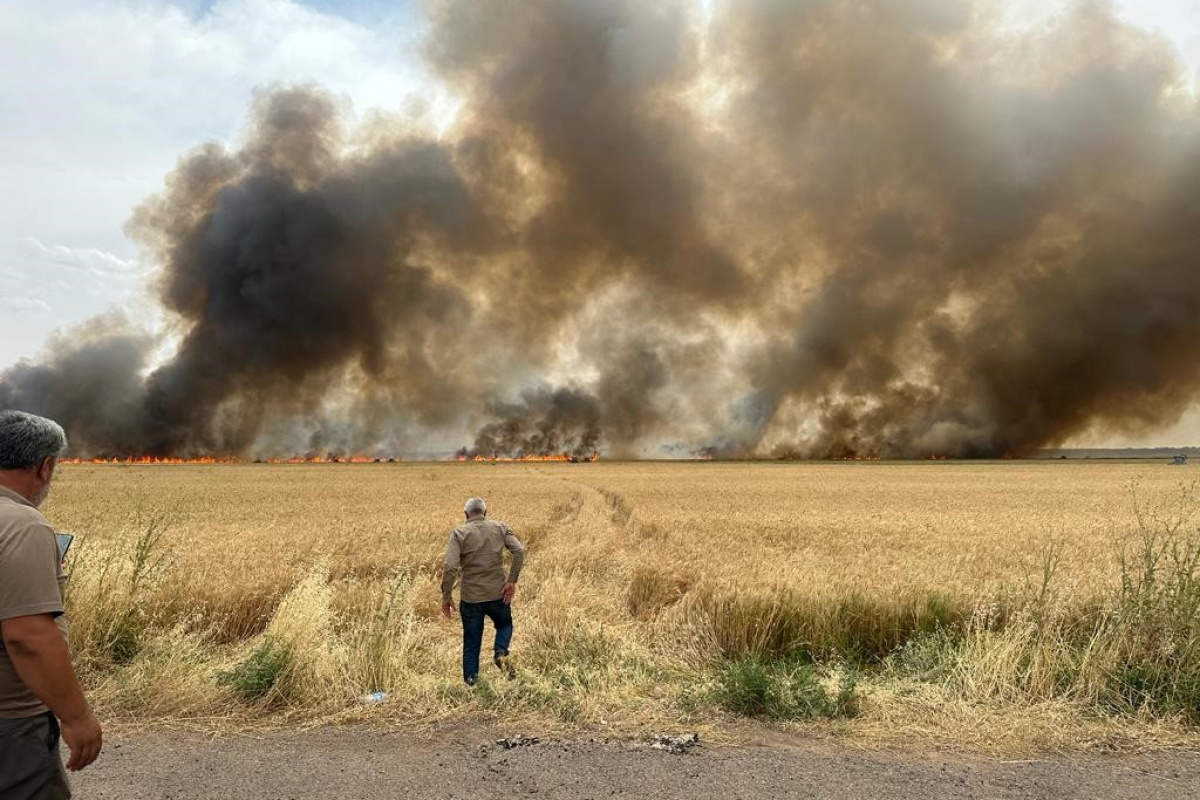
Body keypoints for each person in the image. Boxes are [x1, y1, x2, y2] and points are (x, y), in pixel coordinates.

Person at [0, 410, 102, 800]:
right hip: (9, 725)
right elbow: (27, 636)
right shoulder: (21, 524)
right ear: (44, 466)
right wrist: (77, 717)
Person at [441, 497, 525, 685]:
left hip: (471, 598)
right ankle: (500, 651)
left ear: (466, 514)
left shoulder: (459, 533)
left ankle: (472, 683)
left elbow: (450, 567)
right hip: (498, 593)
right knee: (504, 625)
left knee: (472, 642)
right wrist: (511, 581)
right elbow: (519, 551)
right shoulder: (500, 527)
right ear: (485, 512)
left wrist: (446, 596)